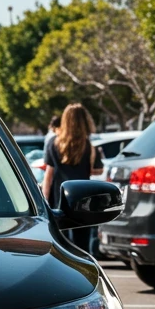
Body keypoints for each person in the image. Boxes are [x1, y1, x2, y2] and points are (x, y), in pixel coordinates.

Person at [42, 103, 104, 251]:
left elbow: (48, 175)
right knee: (81, 247)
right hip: (83, 202)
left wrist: (44, 201)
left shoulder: (53, 143)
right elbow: (98, 170)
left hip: (59, 201)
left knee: (61, 247)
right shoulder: (88, 146)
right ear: (84, 121)